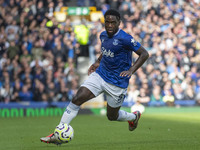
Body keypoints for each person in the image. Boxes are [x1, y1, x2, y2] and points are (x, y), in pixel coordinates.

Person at [40, 9, 149, 144]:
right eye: (107, 22)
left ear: (119, 23)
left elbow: (144, 54)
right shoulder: (103, 35)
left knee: (112, 116)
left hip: (117, 82)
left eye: (112, 23)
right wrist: (98, 61)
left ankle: (133, 117)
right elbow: (105, 50)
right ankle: (58, 132)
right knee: (77, 98)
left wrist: (132, 70)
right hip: (101, 74)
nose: (109, 25)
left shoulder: (125, 38)